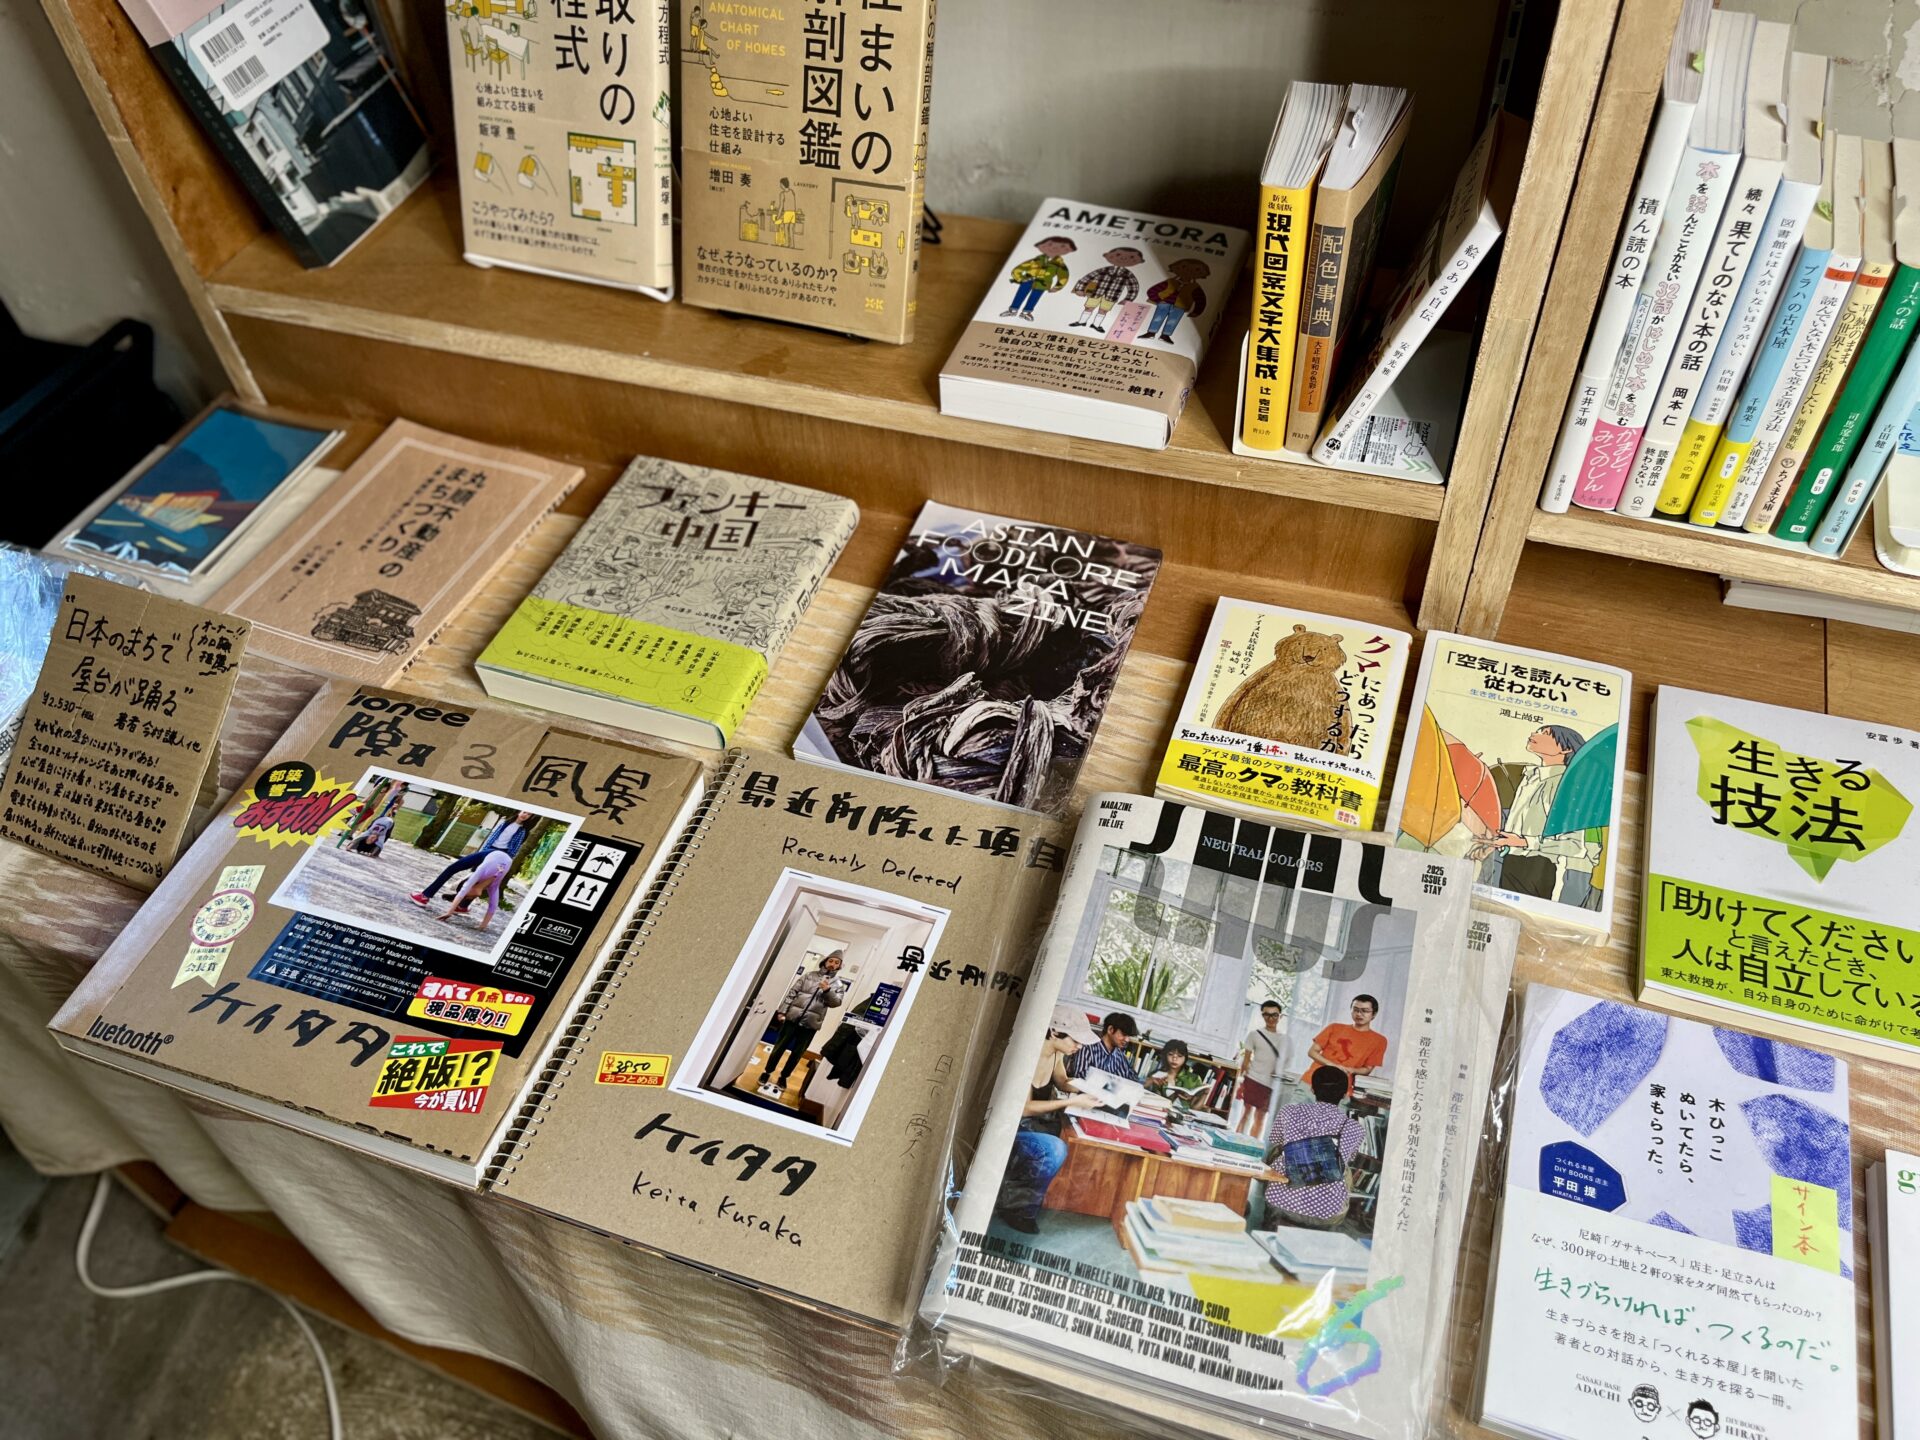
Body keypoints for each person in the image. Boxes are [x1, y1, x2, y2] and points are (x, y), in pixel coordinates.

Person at [994, 1005, 1104, 1234]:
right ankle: (1016, 1209)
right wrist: (1073, 1102)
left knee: (1068, 1137)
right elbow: (1024, 1109)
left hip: (1031, 1124)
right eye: (1076, 1040)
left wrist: (1089, 1088)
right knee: (1054, 1149)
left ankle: (1021, 1198)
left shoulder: (1057, 1052)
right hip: (1007, 1127)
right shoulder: (1027, 1055)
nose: (1080, 1046)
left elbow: (1062, 1080)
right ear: (1054, 1032)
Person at [1474, 724, 1595, 900]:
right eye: (1538, 731)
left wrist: (1524, 842)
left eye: (1545, 733)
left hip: (1538, 867)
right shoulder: (1530, 778)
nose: (1534, 733)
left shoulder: (1565, 787)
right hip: (1510, 861)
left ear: (1566, 749)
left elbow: (1575, 846)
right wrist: (1499, 844)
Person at [1263, 1065, 1367, 1228]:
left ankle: (1269, 1213)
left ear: (1312, 1089)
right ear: (1344, 1095)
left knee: (1278, 1151)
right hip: (1327, 1212)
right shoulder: (1355, 1128)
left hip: (1280, 1202)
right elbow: (1348, 1158)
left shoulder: (1288, 1112)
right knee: (1343, 1167)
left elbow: (1277, 1141)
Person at [757, 952, 848, 1097]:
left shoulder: (838, 985)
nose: (833, 964)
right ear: (825, 961)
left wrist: (827, 990)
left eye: (837, 963)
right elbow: (792, 993)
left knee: (797, 1054)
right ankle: (767, 1071)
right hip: (792, 1019)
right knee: (779, 1048)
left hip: (811, 1024)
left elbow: (836, 1003)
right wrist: (782, 1011)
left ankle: (784, 1077)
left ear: (840, 966)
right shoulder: (809, 976)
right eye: (831, 961)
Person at [412, 810, 534, 909]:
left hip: (499, 855)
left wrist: (502, 862)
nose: (525, 815)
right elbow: (491, 838)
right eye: (524, 812)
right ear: (519, 811)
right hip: (487, 850)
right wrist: (483, 851)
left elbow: (514, 850)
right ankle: (460, 905)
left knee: (476, 878)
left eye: (528, 814)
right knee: (455, 869)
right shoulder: (505, 823)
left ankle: (428, 897)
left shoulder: (522, 831)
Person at [1302, 994, 1388, 1098]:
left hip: (1340, 1090)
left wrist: (1351, 1070)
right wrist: (1333, 1065)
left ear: (1374, 1014)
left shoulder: (1379, 1040)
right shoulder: (1334, 1028)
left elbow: (1367, 1069)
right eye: (1355, 1009)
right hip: (1311, 1082)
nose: (1359, 1014)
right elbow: (1312, 1052)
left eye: (1365, 1011)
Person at [1236, 999, 1289, 1137]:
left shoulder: (1284, 1039)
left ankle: (1251, 1146)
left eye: (1274, 1015)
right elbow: (1246, 1061)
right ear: (1262, 1015)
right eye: (1267, 1014)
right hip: (1253, 1079)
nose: (1271, 1018)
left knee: (1260, 1118)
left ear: (1280, 1016)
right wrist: (1242, 1081)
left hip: (1270, 1084)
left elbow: (1285, 1062)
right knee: (1245, 1113)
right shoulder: (1254, 1035)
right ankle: (1235, 1142)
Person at [432, 848, 513, 932]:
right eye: (467, 898)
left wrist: (449, 912)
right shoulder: (494, 886)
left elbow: (462, 891)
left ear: (470, 887)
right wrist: (482, 926)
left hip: (491, 852)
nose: (469, 898)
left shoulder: (478, 874)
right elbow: (493, 907)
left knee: (453, 867)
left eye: (466, 896)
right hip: (505, 858)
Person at [1068, 246, 1145, 333]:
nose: (1124, 258)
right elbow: (1088, 278)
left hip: (1112, 297)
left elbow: (1133, 287)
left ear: (1139, 261)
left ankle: (1096, 325)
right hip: (1096, 293)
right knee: (1089, 308)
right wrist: (1080, 289)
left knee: (1103, 311)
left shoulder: (1128, 274)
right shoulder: (1104, 270)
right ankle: (1082, 322)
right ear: (1107, 255)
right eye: (1118, 254)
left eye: (1132, 257)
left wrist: (1128, 299)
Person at [999, 234, 1076, 321]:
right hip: (1027, 280)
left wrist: (1057, 287)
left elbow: (1063, 276)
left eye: (1062, 246)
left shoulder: (1059, 265)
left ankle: (1026, 313)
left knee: (1034, 298)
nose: (1054, 248)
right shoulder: (1035, 260)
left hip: (1043, 284)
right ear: (1041, 246)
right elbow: (1019, 269)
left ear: (1069, 250)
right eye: (1050, 244)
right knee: (1020, 295)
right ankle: (1013, 310)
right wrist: (1020, 278)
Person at [1138, 256, 1212, 342]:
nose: (1189, 271)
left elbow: (1200, 300)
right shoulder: (1170, 282)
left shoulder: (1195, 287)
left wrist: (1197, 311)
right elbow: (1152, 291)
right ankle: (1151, 332)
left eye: (1197, 270)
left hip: (1180, 306)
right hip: (1164, 303)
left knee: (1173, 321)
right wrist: (1158, 300)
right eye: (1184, 267)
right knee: (1158, 318)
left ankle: (1165, 335)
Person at [1066, 1012, 1140, 1083]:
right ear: (1110, 1029)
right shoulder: (1087, 1048)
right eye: (1123, 1034)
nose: (1127, 1040)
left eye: (1129, 1036)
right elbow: (1080, 1078)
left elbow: (1133, 1080)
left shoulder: (1120, 1057)